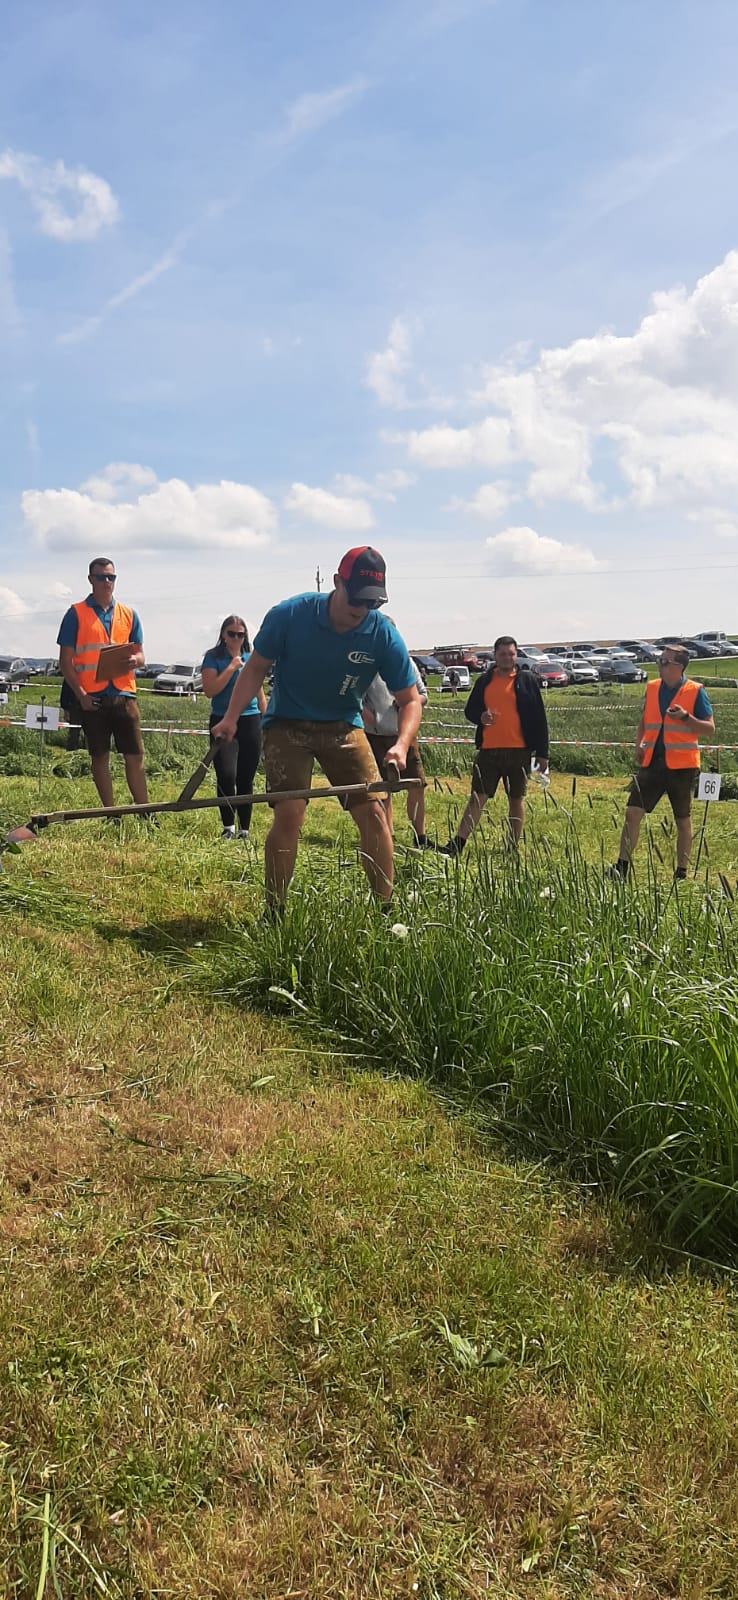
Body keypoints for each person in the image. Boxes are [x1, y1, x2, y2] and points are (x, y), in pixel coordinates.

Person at [212, 547, 422, 911]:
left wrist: (401, 745)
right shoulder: (291, 614)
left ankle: (386, 912)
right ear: (338, 582)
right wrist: (230, 718)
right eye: (356, 598)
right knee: (290, 812)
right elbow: (255, 668)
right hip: (287, 725)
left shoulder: (382, 633)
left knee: (375, 812)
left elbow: (411, 699)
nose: (362, 609)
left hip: (343, 726)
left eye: (372, 602)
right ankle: (274, 912)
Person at [434, 635, 549, 856]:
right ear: (495, 655)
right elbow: (470, 711)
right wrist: (481, 716)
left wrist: (543, 753)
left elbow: (539, 718)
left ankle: (512, 848)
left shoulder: (527, 680)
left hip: (520, 751)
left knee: (516, 799)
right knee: (478, 798)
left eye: (511, 654)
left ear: (516, 655)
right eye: (503, 654)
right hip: (489, 751)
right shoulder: (484, 681)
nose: (507, 658)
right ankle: (457, 845)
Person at [612, 645, 714, 881]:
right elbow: (644, 720)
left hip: (682, 766)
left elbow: (709, 729)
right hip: (652, 762)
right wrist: (639, 744)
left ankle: (681, 872)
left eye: (666, 662)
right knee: (632, 812)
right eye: (660, 660)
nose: (660, 665)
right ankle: (621, 868)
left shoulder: (695, 691)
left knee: (682, 819)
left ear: (680, 667)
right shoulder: (652, 687)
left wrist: (686, 717)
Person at [57, 557, 148, 808]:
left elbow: (141, 655)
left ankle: (145, 811)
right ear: (91, 580)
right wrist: (82, 696)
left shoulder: (129, 614)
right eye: (101, 577)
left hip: (124, 695)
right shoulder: (76, 613)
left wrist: (135, 660)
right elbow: (65, 661)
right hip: (93, 698)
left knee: (135, 755)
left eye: (111, 577)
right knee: (99, 756)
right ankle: (110, 813)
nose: (107, 582)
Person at [201, 615, 267, 841]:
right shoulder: (213, 657)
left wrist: (266, 718)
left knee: (246, 778)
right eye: (232, 634)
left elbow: (258, 691)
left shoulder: (251, 657)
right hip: (222, 720)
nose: (237, 638)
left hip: (250, 720)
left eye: (241, 634)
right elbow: (210, 690)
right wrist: (231, 667)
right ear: (223, 634)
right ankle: (228, 826)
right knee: (226, 774)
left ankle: (244, 829)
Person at [362, 648, 430, 847]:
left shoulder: (407, 663)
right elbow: (353, 697)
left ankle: (420, 838)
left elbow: (423, 695)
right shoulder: (366, 662)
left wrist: (408, 703)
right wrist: (367, 714)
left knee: (416, 784)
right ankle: (387, 837)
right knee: (382, 788)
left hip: (404, 735)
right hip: (375, 736)